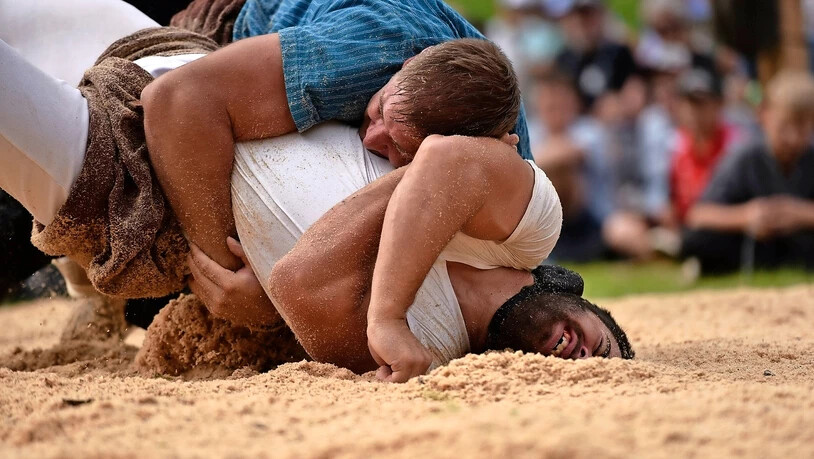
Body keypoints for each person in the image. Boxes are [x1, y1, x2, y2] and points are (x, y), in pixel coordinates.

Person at [0, 2, 633, 381]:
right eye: (604, 352)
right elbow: (449, 164)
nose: (580, 360)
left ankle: (88, 288)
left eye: (579, 379)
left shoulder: (422, 353)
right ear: (595, 311)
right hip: (193, 73)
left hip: (132, 178)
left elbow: (299, 282)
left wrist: (251, 294)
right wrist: (384, 312)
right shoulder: (531, 226)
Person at [683, 71, 814, 272]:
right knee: (698, 239)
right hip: (756, 244)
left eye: (803, 129)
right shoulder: (745, 158)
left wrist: (801, 214)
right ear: (765, 114)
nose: (793, 138)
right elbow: (697, 215)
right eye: (784, 127)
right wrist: (746, 216)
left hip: (802, 243)